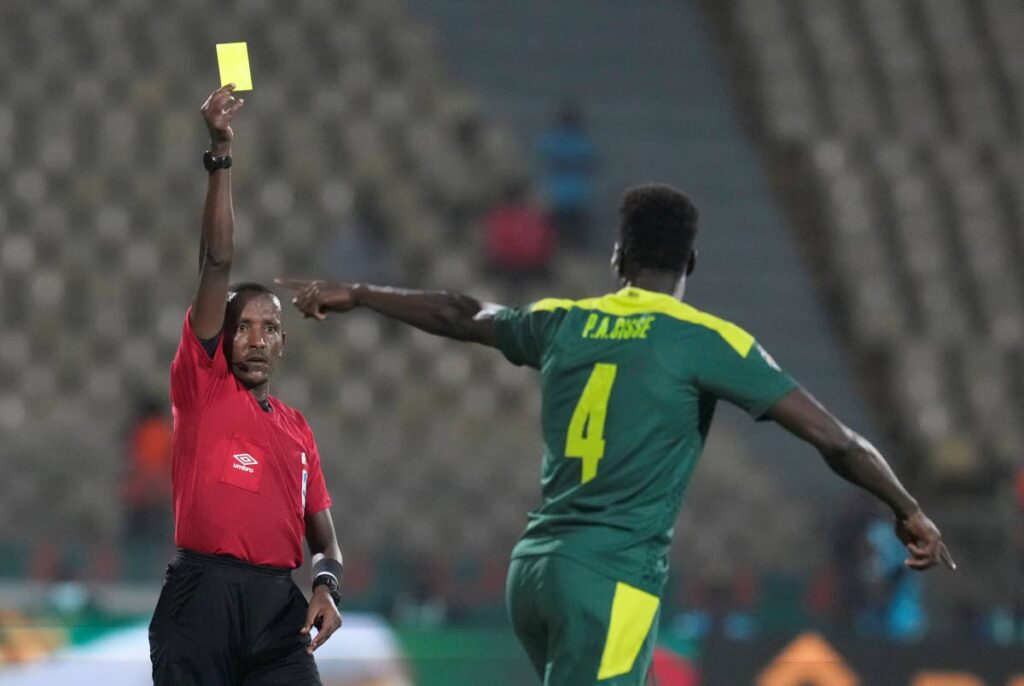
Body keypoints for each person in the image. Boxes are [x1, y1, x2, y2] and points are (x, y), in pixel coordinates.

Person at [277, 183, 954, 685]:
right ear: (690, 263)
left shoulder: (563, 320)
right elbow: (837, 441)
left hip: (535, 573)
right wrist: (909, 510)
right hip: (611, 578)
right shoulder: (708, 340)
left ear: (616, 257)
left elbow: (460, 311)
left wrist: (361, 292)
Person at [149, 84, 343, 686]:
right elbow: (216, 262)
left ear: (284, 343)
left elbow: (327, 545)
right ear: (220, 338)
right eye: (244, 327)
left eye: (271, 328)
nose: (257, 338)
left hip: (274, 616)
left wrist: (327, 585)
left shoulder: (297, 430)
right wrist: (221, 156)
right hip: (201, 602)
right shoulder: (202, 386)